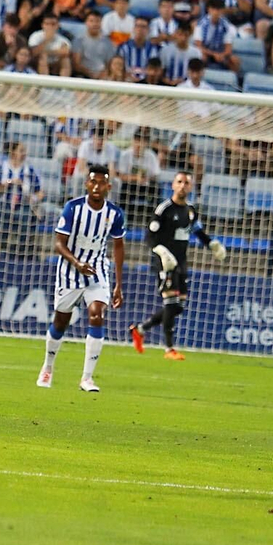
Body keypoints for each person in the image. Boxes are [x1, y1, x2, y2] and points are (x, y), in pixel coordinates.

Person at [37, 164, 125, 393]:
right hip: (70, 270)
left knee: (97, 314)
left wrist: (118, 285)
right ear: (86, 184)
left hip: (97, 270)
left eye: (101, 183)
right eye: (93, 182)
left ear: (108, 187)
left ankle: (87, 378)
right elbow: (59, 244)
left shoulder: (115, 214)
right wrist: (76, 263)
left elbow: (118, 247)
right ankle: (48, 367)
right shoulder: (73, 208)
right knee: (60, 322)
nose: (96, 187)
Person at [130, 172, 227, 361]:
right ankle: (169, 349)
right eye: (179, 182)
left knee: (178, 307)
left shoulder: (190, 211)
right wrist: (160, 252)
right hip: (165, 262)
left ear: (191, 187)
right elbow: (149, 236)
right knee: (170, 302)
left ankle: (140, 329)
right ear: (173, 185)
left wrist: (212, 245)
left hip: (181, 262)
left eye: (186, 183)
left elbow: (198, 232)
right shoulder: (164, 209)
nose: (183, 185)